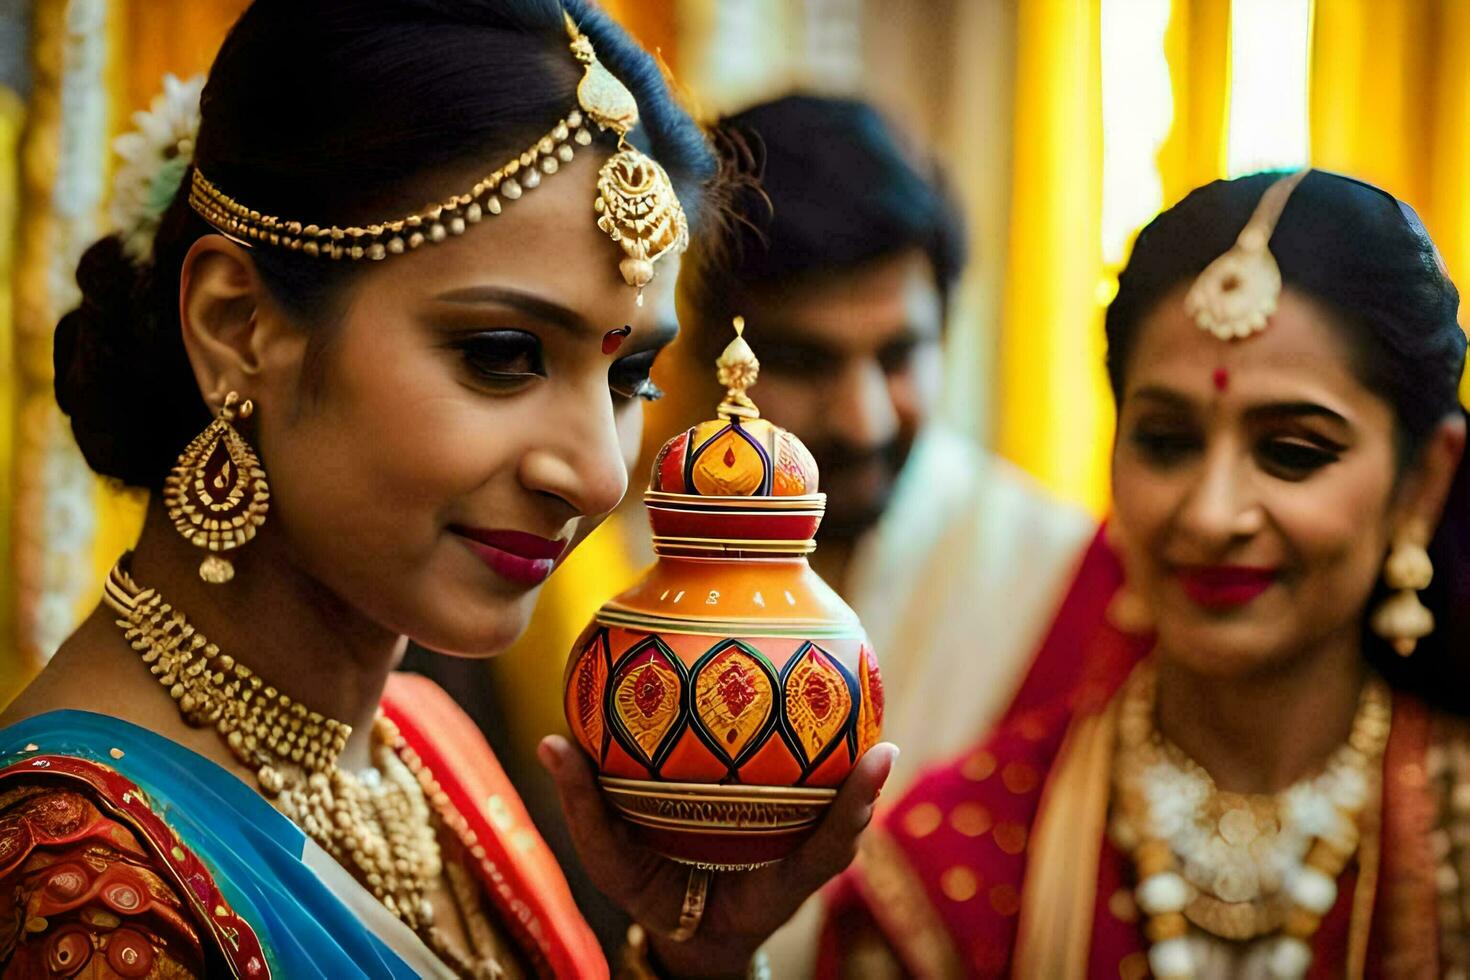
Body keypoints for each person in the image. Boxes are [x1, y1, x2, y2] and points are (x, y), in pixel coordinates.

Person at [0, 2, 894, 977]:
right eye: (502, 354)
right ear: (238, 327)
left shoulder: (424, 746)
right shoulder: (77, 887)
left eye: (630, 375)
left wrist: (698, 958)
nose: (597, 472)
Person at [820, 169, 1470, 977]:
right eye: (1167, 442)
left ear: (1421, 484)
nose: (1210, 512)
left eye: (1292, 453)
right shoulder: (949, 866)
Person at [679, 94, 1097, 793]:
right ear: (698, 351)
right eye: (805, 361)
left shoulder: (1055, 580)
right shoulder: (614, 556)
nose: (862, 421)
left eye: (900, 354)